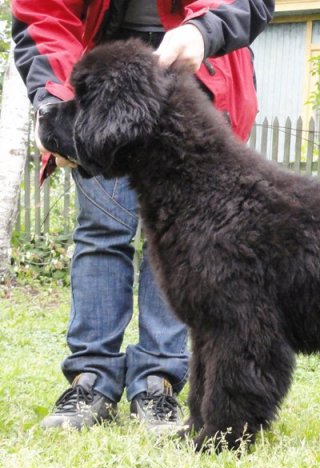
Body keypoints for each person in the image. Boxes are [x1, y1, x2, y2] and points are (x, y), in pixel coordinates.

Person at [11, 0, 274, 431]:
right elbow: (42, 13)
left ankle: (159, 381)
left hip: (198, 64)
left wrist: (204, 30)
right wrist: (55, 100)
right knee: (101, 231)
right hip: (103, 71)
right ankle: (90, 379)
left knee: (186, 241)